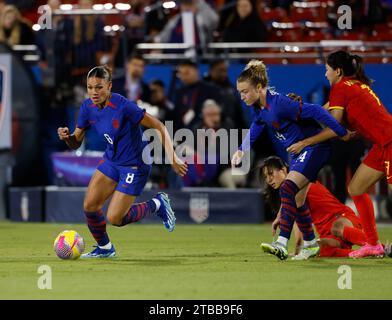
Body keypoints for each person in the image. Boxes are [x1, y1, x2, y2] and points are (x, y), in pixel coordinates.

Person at [57, 65, 188, 258]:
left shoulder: (123, 106)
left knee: (115, 218)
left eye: (99, 87)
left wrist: (173, 157)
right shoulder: (87, 108)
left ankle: (157, 204)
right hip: (112, 160)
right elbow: (76, 143)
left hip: (135, 164)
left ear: (109, 86)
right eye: (90, 87)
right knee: (90, 206)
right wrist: (67, 137)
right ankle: (105, 248)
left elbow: (158, 126)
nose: (94, 92)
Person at [231, 60, 349, 260]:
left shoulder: (280, 104)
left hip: (315, 148)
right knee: (298, 199)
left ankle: (281, 243)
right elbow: (258, 125)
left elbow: (317, 111)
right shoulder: (260, 107)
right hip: (299, 152)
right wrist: (242, 149)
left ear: (259, 88)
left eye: (245, 92)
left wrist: (340, 132)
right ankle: (311, 244)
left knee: (287, 188)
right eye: (240, 92)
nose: (242, 97)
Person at [287, 50, 392, 258]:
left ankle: (373, 243)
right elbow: (321, 113)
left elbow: (333, 125)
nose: (325, 74)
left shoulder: (340, 87)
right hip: (382, 145)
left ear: (338, 71)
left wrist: (305, 142)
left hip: (390, 142)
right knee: (356, 187)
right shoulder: (351, 85)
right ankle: (372, 244)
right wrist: (297, 109)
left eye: (326, 70)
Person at [259, 156, 372, 258]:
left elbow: (292, 215)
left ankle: (378, 247)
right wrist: (298, 250)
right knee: (316, 249)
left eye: (271, 174)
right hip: (327, 233)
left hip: (343, 218)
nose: (268, 180)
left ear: (283, 170)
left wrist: (280, 215)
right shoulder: (290, 192)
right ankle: (357, 254)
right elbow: (298, 220)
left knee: (336, 227)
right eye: (266, 176)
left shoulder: (302, 183)